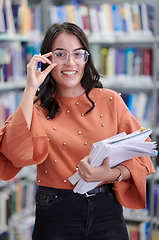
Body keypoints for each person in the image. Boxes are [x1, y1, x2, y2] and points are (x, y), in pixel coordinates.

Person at [0, 22, 155, 240]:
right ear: (47, 59)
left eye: (78, 54)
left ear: (86, 58)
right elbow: (13, 152)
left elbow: (143, 156)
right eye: (60, 54)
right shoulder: (35, 107)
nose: (70, 62)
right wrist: (29, 88)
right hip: (55, 212)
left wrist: (110, 174)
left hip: (107, 211)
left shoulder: (110, 100)